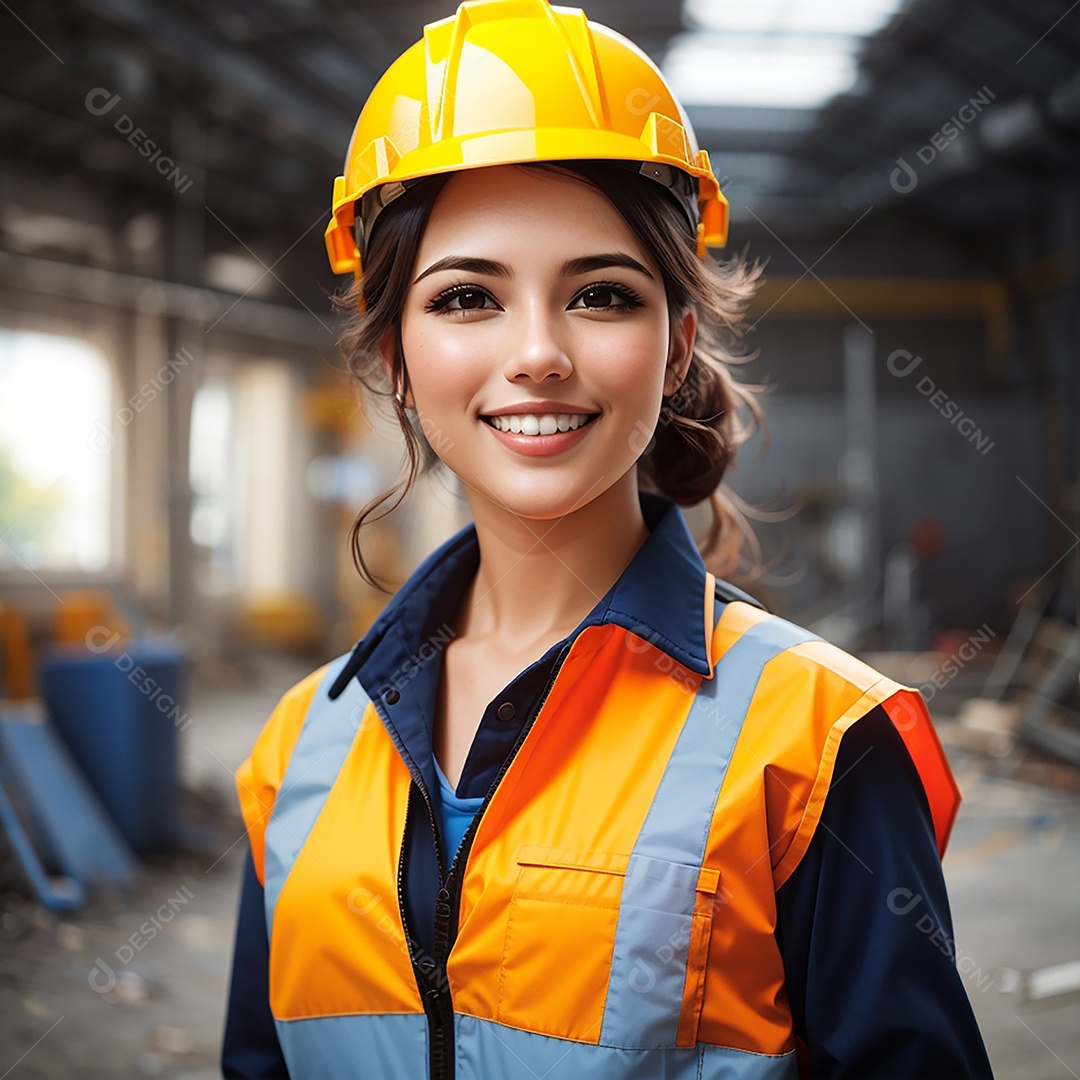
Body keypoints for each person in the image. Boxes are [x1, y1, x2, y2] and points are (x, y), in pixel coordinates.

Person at [221, 2, 995, 1077]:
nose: (537, 353)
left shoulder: (819, 747)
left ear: (677, 346)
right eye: (465, 298)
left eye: (599, 294)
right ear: (396, 354)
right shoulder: (298, 747)